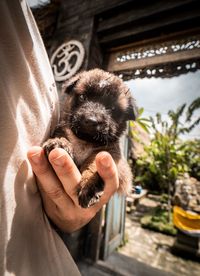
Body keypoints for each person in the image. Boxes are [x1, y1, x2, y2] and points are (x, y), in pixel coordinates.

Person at [0, 1, 118, 275]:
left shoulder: (27, 26)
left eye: (112, 109)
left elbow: (114, 174)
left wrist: (74, 210)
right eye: (82, 99)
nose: (92, 116)